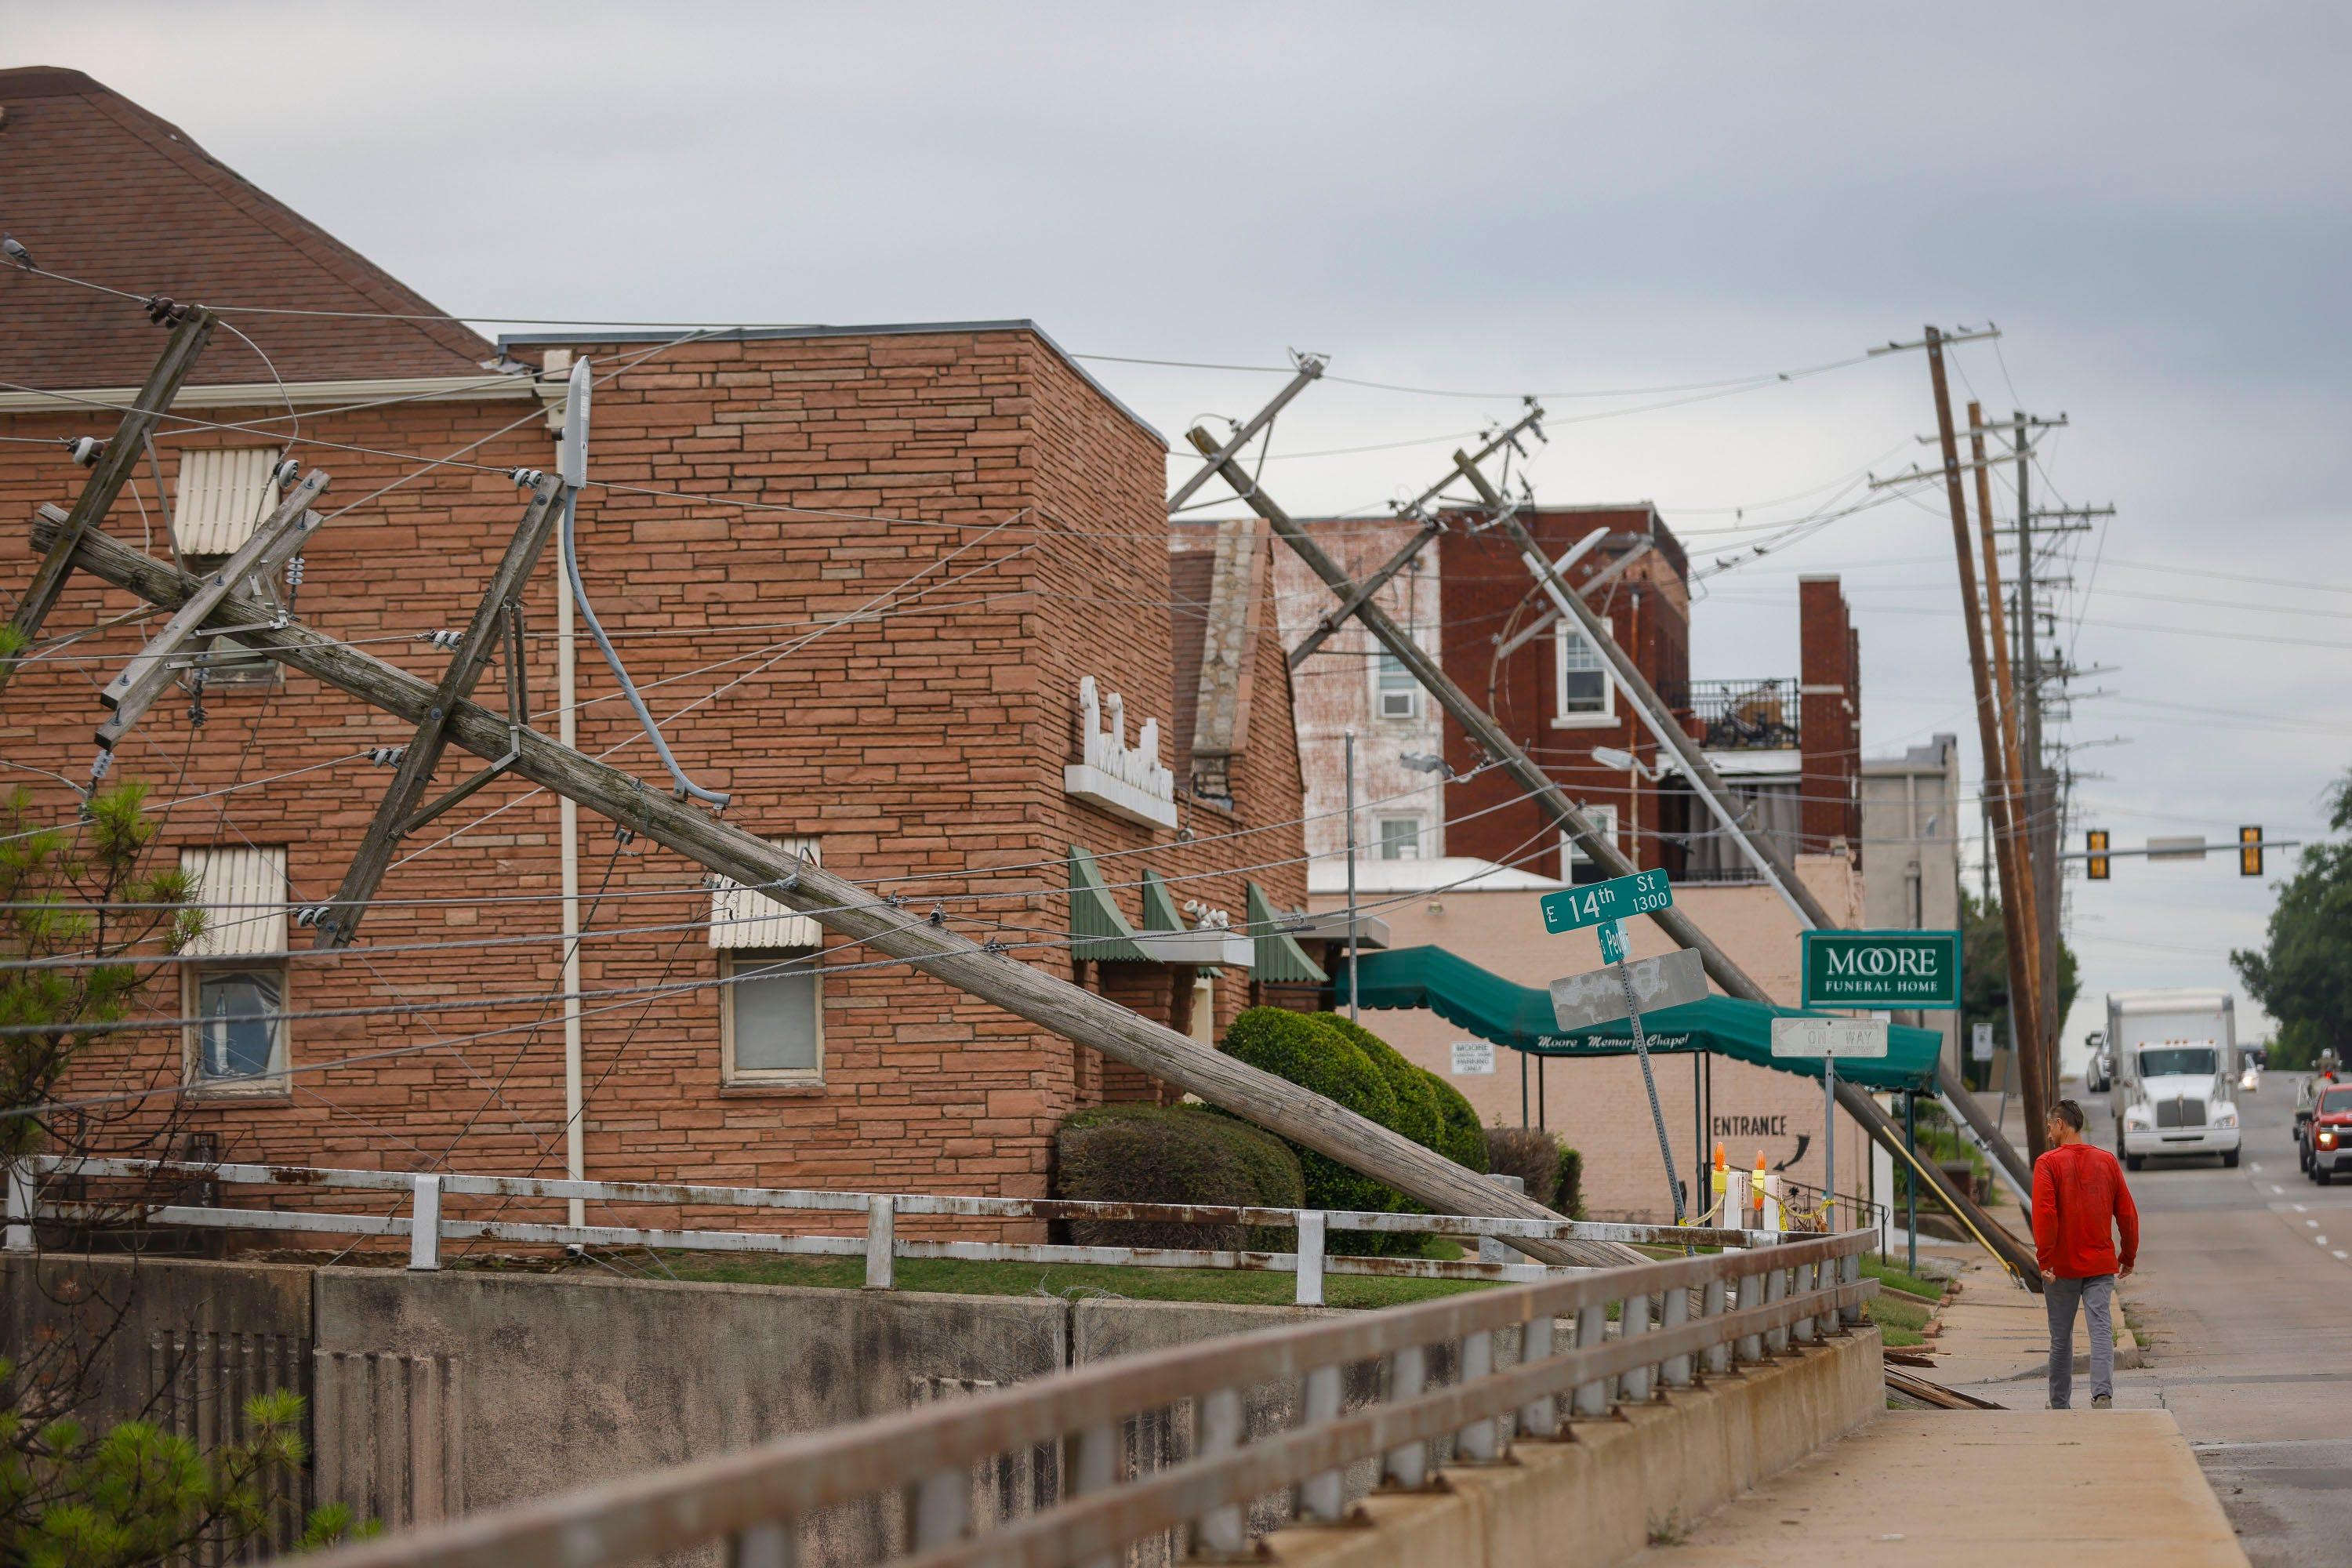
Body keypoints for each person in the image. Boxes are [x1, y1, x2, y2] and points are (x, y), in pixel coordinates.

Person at [2032, 1098, 2140, 1410]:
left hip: (2061, 1267)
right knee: (2101, 1329)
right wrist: (2128, 1255)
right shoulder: (2106, 1161)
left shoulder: (2048, 1163)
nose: (2049, 1133)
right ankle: (2102, 1393)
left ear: (2061, 1125)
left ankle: (2060, 1402)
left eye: (2050, 1127)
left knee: (2061, 1337)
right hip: (2100, 1264)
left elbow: (2045, 1214)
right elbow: (2127, 1214)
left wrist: (2045, 1258)